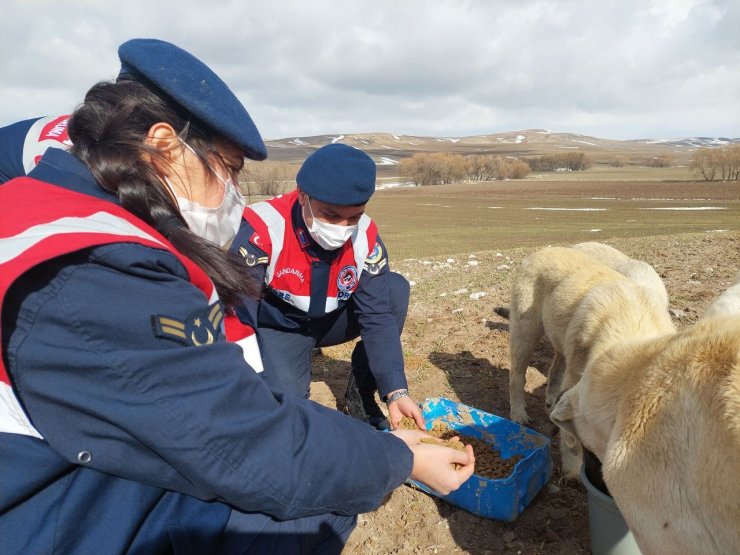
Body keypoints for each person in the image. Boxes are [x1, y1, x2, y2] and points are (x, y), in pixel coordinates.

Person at [0, 38, 475, 554]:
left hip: (54, 449)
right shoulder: (103, 266)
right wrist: (395, 458)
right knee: (304, 504)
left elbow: (377, 310)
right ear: (164, 146)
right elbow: (245, 437)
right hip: (37, 499)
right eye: (228, 167)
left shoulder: (48, 202)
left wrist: (394, 389)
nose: (232, 189)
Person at [231, 143, 422, 432]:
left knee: (394, 290)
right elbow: (237, 316)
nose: (343, 227)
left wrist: (396, 391)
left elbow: (377, 317)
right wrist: (250, 380)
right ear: (303, 195)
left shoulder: (366, 238)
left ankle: (361, 392)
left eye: (354, 217)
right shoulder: (261, 230)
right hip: (282, 326)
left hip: (333, 320)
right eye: (331, 216)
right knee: (287, 406)